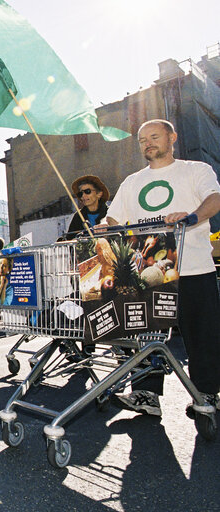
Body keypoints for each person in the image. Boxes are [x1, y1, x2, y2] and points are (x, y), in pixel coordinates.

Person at [103, 119, 220, 417]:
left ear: (172, 138)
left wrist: (191, 218)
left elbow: (214, 199)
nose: (147, 143)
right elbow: (115, 219)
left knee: (201, 335)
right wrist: (113, 232)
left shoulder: (195, 170)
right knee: (146, 335)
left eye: (154, 137)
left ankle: (208, 395)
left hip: (194, 268)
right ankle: (146, 395)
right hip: (151, 275)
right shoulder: (132, 182)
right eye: (143, 140)